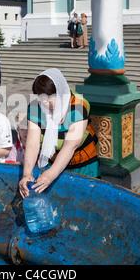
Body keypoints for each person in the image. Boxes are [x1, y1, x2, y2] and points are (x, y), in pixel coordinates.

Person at [18, 68, 99, 198]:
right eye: (41, 97)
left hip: (83, 164)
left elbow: (71, 144)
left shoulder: (78, 104)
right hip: (53, 163)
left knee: (84, 201)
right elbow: (33, 143)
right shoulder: (35, 107)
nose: (44, 103)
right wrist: (27, 174)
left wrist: (51, 174)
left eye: (49, 97)